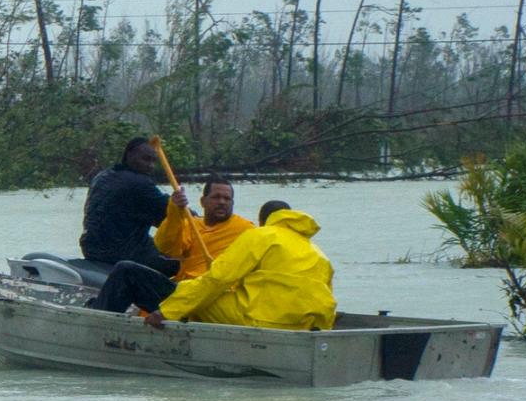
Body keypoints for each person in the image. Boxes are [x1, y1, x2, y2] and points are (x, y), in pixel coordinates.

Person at [144, 199, 337, 331]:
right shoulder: (317, 252)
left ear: (263, 221)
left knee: (195, 296)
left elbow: (218, 278)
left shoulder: (260, 235)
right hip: (308, 325)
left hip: (263, 321)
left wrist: (168, 311)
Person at [87, 178, 255, 316]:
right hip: (184, 293)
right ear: (203, 201)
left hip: (213, 298)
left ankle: (97, 313)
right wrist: (175, 210)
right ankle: (99, 318)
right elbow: (166, 247)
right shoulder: (192, 224)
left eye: (227, 199)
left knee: (125, 270)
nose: (222, 202)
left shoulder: (246, 229)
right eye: (216, 197)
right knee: (126, 271)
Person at [79, 136, 177, 276]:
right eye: (146, 159)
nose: (151, 166)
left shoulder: (102, 176)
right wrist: (204, 223)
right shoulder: (139, 184)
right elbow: (174, 215)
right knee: (181, 264)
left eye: (153, 161)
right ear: (129, 155)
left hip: (91, 248)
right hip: (121, 252)